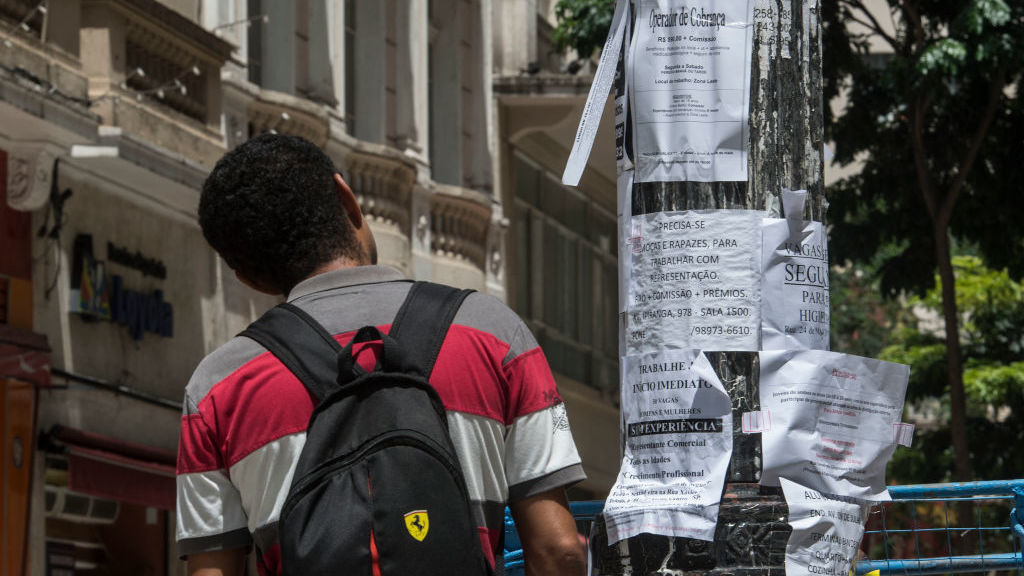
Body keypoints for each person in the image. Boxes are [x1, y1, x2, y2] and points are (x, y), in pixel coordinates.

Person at [176, 134, 588, 576]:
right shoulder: (494, 334)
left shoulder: (217, 388)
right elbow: (559, 550)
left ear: (246, 277)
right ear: (347, 200)